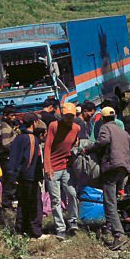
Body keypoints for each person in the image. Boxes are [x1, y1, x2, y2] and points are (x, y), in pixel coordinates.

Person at [86, 106, 130, 251]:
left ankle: (118, 235)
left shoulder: (105, 128)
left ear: (103, 119)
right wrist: (127, 161)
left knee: (109, 202)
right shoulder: (123, 131)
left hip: (111, 168)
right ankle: (109, 227)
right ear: (115, 117)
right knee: (114, 199)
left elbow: (103, 142)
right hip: (123, 169)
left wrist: (89, 149)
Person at [44, 102, 81, 238]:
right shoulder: (54, 126)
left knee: (72, 193)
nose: (68, 119)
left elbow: (74, 143)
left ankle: (72, 221)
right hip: (53, 167)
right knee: (56, 200)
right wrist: (48, 167)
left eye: (71, 117)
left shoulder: (76, 128)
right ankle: (60, 228)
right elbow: (47, 147)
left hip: (66, 167)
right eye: (66, 116)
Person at [9, 113, 44, 239]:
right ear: (34, 123)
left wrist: (15, 175)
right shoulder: (31, 138)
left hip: (19, 176)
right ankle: (36, 232)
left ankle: (20, 230)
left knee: (22, 204)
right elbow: (28, 159)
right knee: (35, 204)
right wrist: (29, 174)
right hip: (29, 176)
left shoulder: (18, 137)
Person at [0, 105, 19, 210]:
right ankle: (7, 206)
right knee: (9, 183)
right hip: (7, 159)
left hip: (7, 159)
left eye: (14, 115)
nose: (13, 117)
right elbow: (6, 144)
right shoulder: (5, 127)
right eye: (11, 115)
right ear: (5, 115)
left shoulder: (6, 125)